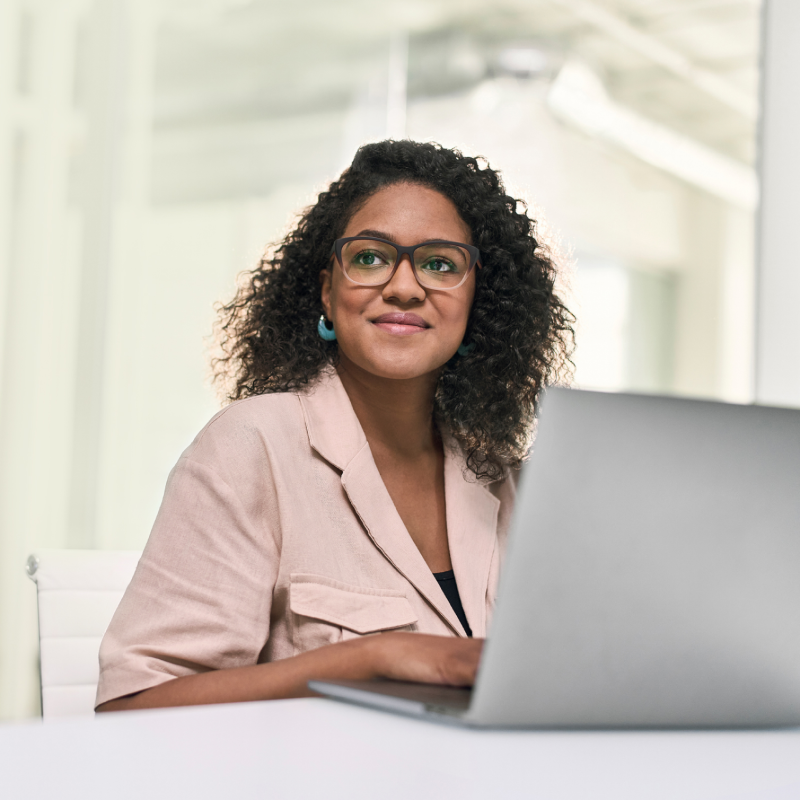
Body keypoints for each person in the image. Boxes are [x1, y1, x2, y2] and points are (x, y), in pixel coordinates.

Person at [95, 140, 573, 712]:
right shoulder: (253, 446)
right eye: (370, 257)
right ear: (327, 291)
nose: (403, 286)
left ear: (478, 305)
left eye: (440, 264)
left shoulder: (505, 478)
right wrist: (373, 659)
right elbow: (132, 706)